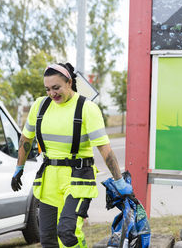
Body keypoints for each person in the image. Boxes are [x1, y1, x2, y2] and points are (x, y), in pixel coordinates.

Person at [11, 63, 132, 248]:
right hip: (49, 178)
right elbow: (26, 139)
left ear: (69, 82)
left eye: (56, 87)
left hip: (78, 178)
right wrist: (19, 167)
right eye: (48, 89)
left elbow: (104, 149)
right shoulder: (40, 106)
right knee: (48, 239)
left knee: (67, 233)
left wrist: (118, 180)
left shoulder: (87, 108)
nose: (52, 93)